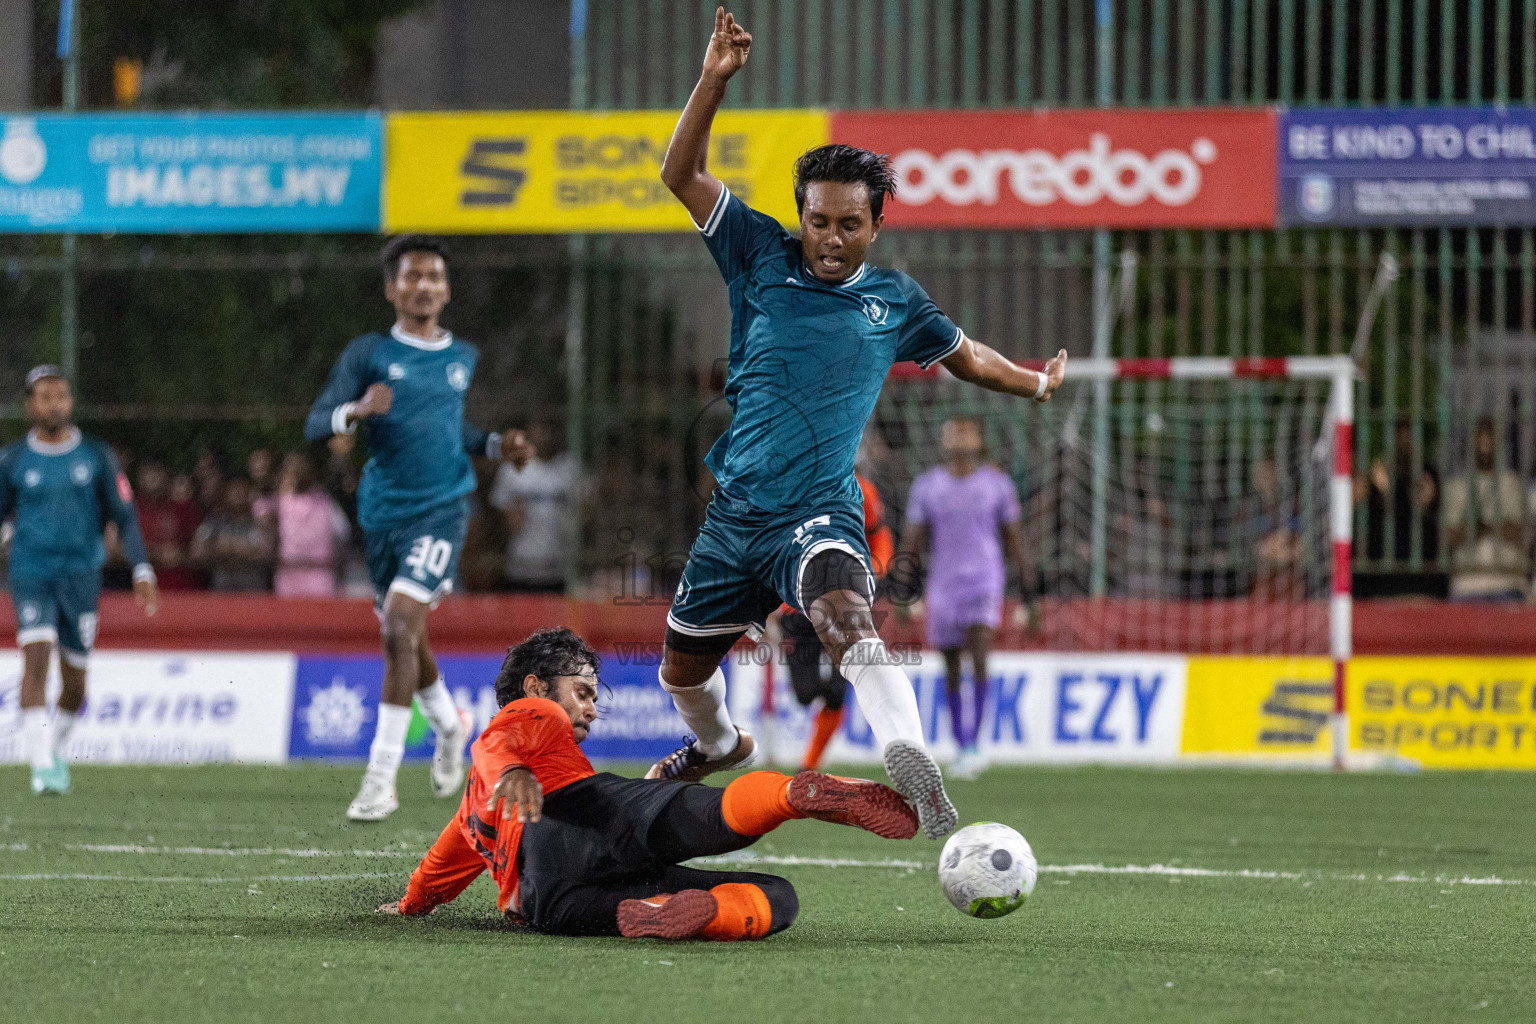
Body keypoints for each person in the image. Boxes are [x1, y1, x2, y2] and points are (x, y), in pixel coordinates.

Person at [648, 7, 1066, 838]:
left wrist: (1034, 384)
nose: (829, 239)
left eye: (849, 224)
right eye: (818, 219)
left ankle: (912, 762)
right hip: (736, 517)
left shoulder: (896, 300)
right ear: (799, 213)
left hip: (819, 511)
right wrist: (713, 80)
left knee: (846, 620)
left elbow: (969, 356)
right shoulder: (758, 253)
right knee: (680, 672)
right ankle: (720, 742)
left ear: (877, 223)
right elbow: (680, 174)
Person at [378, 627, 917, 939]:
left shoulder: (476, 806)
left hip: (550, 904)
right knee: (719, 827)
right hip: (577, 812)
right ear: (536, 686)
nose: (592, 705)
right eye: (582, 691)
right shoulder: (535, 712)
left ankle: (688, 915)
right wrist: (515, 771)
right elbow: (497, 743)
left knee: (775, 897)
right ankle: (791, 795)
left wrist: (409, 907)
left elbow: (439, 869)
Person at [305, 234, 534, 822]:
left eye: (433, 276)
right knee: (406, 636)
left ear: (446, 288)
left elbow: (448, 432)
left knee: (399, 627)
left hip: (442, 510)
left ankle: (380, 778)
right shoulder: (369, 353)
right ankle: (450, 726)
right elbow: (314, 421)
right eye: (411, 276)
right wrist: (354, 412)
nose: (423, 285)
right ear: (391, 288)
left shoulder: (463, 356)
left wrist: (492, 444)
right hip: (382, 513)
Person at [0, 366, 159, 795]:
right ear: (29, 405)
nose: (55, 404)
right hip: (31, 571)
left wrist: (142, 568)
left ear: (71, 402)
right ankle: (39, 768)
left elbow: (124, 516)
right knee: (35, 657)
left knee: (75, 684)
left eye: (62, 396)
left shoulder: (96, 456)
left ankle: (52, 751)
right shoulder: (12, 460)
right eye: (45, 396)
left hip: (82, 575)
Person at [895, 418, 1028, 779]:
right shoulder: (928, 487)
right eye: (951, 431)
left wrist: (1031, 593)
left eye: (966, 431)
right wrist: (903, 591)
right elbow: (913, 541)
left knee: (980, 654)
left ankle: (974, 743)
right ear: (942, 440)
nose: (958, 437)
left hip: (985, 580)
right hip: (943, 585)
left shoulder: (996, 485)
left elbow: (1013, 537)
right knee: (951, 666)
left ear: (979, 439)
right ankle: (960, 742)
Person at [774, 471, 894, 771]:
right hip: (797, 606)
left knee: (839, 691)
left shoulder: (862, 490)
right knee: (804, 694)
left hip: (843, 602)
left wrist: (870, 574)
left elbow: (879, 535)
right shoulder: (791, 487)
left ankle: (809, 764)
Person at [488, 418, 579, 593]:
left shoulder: (570, 468)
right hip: (522, 569)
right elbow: (503, 522)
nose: (544, 436)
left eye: (548, 430)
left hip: (560, 569)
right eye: (539, 429)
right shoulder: (512, 468)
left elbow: (586, 512)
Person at [1444, 417, 1526, 601]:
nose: (1485, 444)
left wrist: (1477, 527)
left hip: (1508, 582)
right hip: (1466, 584)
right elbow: (1452, 536)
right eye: (1480, 438)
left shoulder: (1511, 483)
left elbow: (1520, 533)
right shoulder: (1457, 485)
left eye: (1490, 438)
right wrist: (1496, 526)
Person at [271, 453, 350, 598]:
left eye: (301, 468)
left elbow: (342, 533)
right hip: (289, 574)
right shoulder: (278, 503)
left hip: (320, 574)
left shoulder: (325, 502)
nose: (298, 473)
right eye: (293, 469)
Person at [190, 476, 274, 592]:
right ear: (224, 492)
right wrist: (218, 549)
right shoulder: (212, 523)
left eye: (243, 488)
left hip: (254, 594)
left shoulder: (260, 524)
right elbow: (197, 553)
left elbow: (269, 553)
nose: (238, 493)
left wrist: (240, 549)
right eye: (233, 488)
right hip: (222, 594)